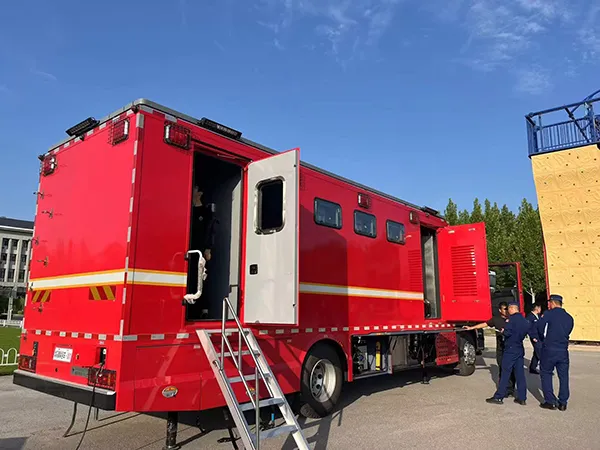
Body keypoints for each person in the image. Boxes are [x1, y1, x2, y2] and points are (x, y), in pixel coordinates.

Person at [463, 301, 516, 395]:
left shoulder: (513, 319)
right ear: (500, 310)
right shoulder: (496, 319)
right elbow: (484, 324)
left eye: (508, 309)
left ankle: (511, 389)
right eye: (505, 309)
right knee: (502, 368)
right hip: (501, 348)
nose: (507, 311)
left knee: (512, 369)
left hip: (511, 348)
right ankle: (504, 389)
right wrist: (471, 328)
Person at [534, 294, 574, 411]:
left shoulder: (548, 314)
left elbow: (540, 328)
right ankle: (563, 402)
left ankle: (550, 401)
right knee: (563, 376)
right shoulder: (569, 317)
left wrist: (542, 339)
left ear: (552, 303)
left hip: (549, 349)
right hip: (563, 350)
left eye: (549, 303)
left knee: (546, 373)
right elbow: (568, 331)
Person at [486, 301, 531, 405]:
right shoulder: (524, 321)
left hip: (510, 349)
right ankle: (522, 397)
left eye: (508, 309)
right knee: (520, 374)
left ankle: (499, 396)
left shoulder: (511, 320)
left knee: (505, 373)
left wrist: (503, 331)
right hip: (519, 348)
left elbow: (507, 332)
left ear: (511, 308)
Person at [526, 303, 543, 374]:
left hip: (540, 337)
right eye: (540, 308)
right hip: (535, 337)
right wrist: (533, 337)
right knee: (540, 353)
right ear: (536, 308)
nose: (540, 309)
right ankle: (544, 369)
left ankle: (532, 368)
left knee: (536, 353)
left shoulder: (538, 316)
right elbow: (528, 328)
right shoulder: (530, 317)